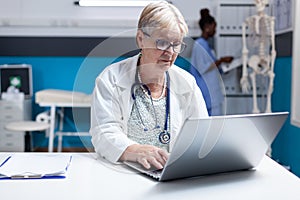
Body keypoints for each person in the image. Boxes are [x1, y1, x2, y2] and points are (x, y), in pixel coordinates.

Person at [90, 1, 208, 170]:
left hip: (170, 174)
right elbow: (104, 132)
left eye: (176, 44)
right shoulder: (111, 78)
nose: (170, 52)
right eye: (162, 43)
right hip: (123, 171)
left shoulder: (186, 82)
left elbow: (202, 132)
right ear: (141, 39)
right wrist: (134, 150)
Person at [190, 8, 233, 116]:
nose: (215, 31)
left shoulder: (206, 45)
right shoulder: (199, 44)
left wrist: (224, 66)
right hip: (207, 92)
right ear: (207, 28)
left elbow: (212, 67)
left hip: (212, 92)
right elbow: (202, 68)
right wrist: (221, 60)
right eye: (214, 27)